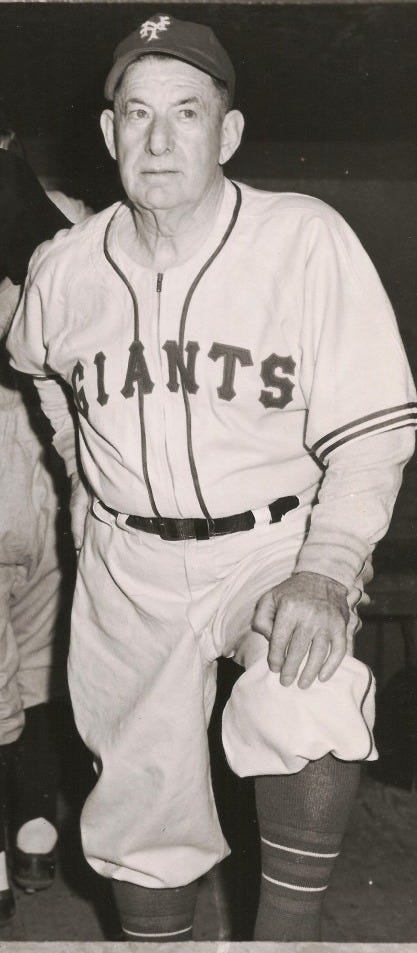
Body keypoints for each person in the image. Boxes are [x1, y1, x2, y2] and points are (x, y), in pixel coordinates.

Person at [6, 14, 416, 942]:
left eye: (185, 113)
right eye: (136, 113)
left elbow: (375, 428)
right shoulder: (64, 270)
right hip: (128, 562)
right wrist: (82, 483)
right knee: (141, 810)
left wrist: (326, 567)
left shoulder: (302, 240)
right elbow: (41, 372)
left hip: (269, 543)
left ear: (226, 133)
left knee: (307, 689)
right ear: (107, 132)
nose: (158, 139)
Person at [0, 112, 89, 922]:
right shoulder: (61, 224)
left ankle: (30, 833)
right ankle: (15, 850)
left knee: (34, 675)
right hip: (28, 478)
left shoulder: (61, 222)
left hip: (49, 483)